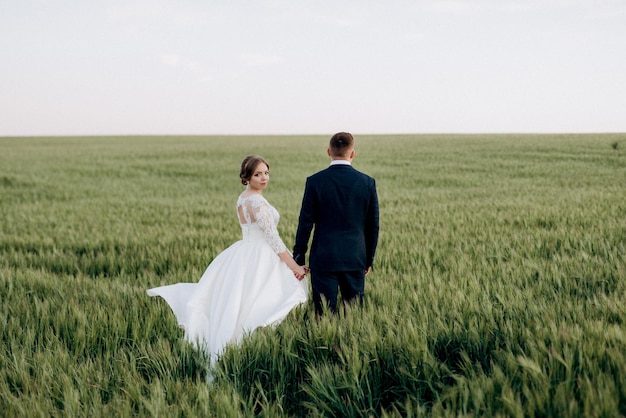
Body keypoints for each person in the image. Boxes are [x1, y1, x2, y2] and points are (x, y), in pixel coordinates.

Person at [147, 155, 308, 371]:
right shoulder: (256, 201)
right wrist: (294, 266)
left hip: (245, 251)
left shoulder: (244, 197)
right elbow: (273, 239)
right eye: (257, 174)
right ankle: (251, 346)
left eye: (266, 173)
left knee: (241, 301)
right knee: (264, 301)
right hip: (261, 255)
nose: (264, 178)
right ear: (247, 177)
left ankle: (245, 343)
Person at [293, 132, 379, 316]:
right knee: (354, 317)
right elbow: (373, 226)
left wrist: (299, 257)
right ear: (352, 153)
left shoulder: (315, 182)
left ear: (328, 151)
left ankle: (322, 344)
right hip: (355, 257)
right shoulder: (367, 183)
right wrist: (368, 259)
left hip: (323, 258)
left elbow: (305, 223)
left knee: (323, 315)